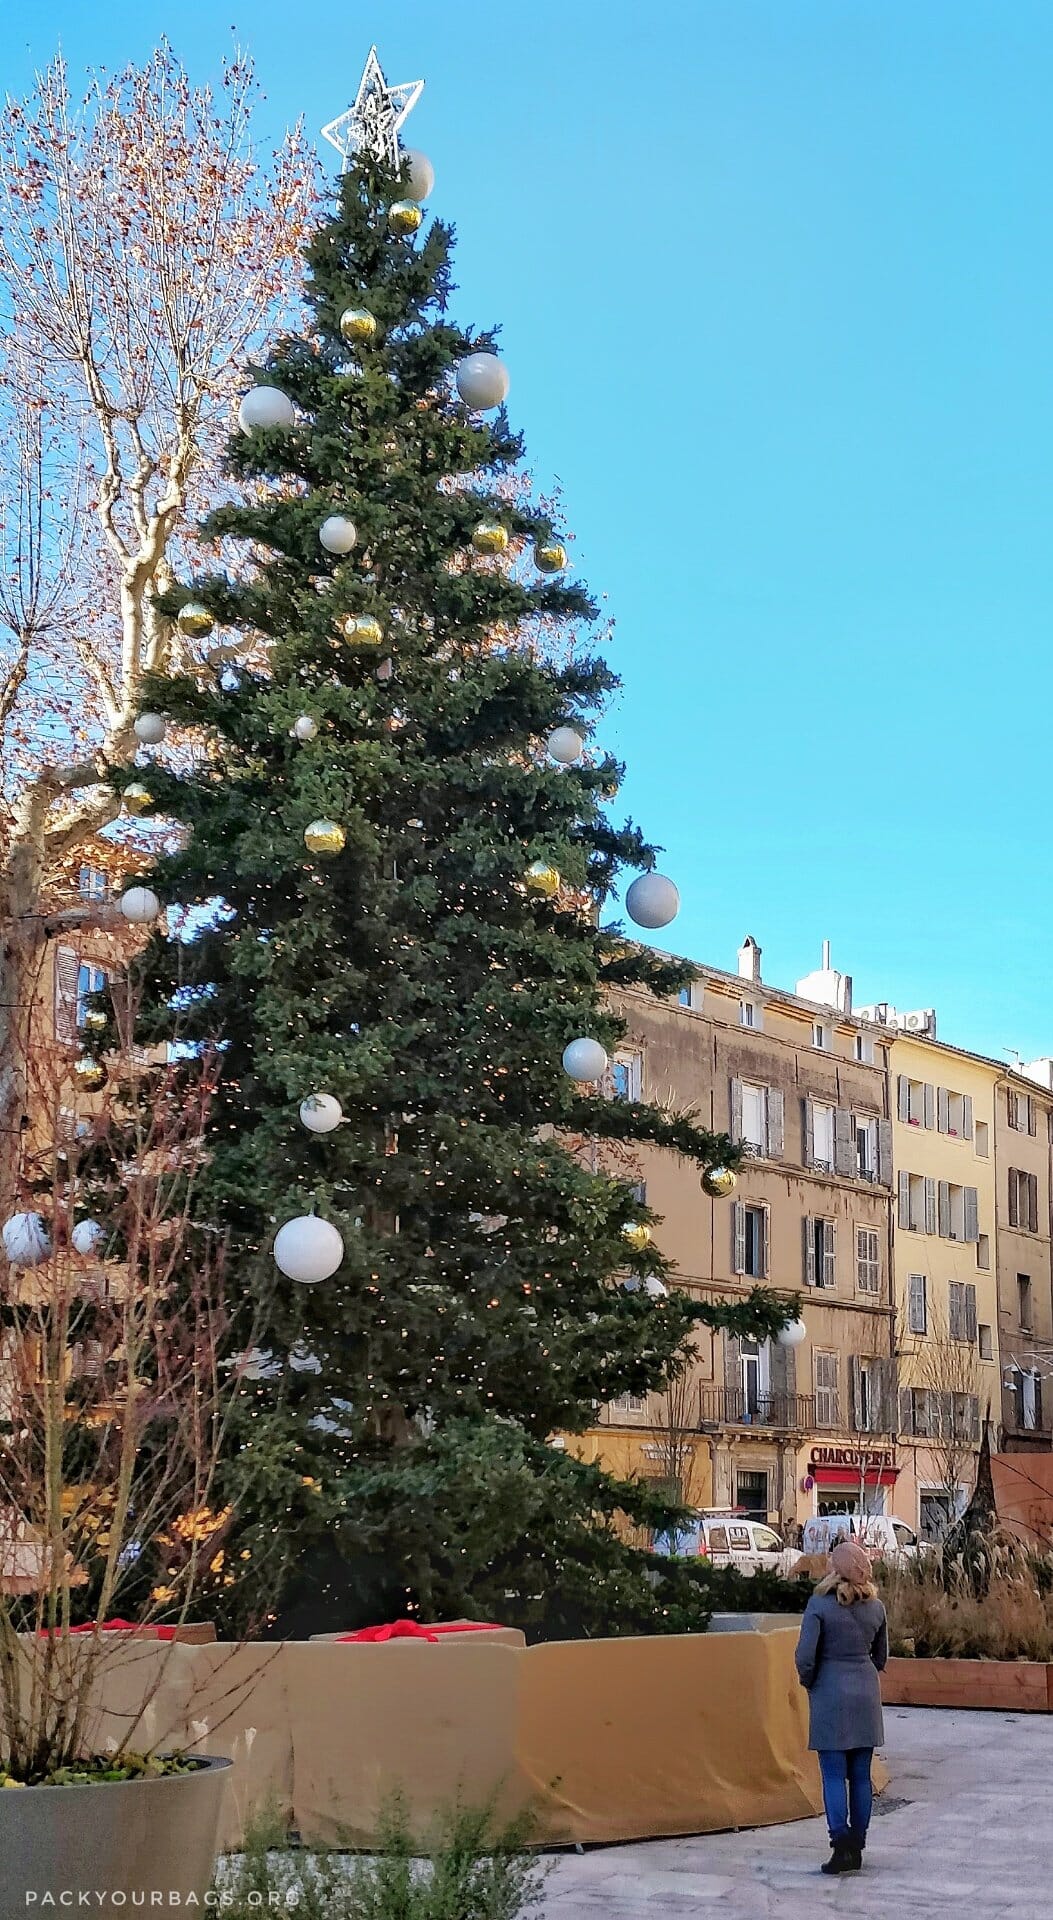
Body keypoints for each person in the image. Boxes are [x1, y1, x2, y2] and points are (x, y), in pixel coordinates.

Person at [794, 1537, 888, 1875]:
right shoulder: (877, 1608)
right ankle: (858, 1845)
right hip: (865, 1694)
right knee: (861, 1776)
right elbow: (881, 1657)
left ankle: (840, 1844)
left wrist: (811, 1681)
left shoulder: (819, 1605)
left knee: (833, 1775)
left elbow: (805, 1657)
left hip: (830, 1694)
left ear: (834, 1568)